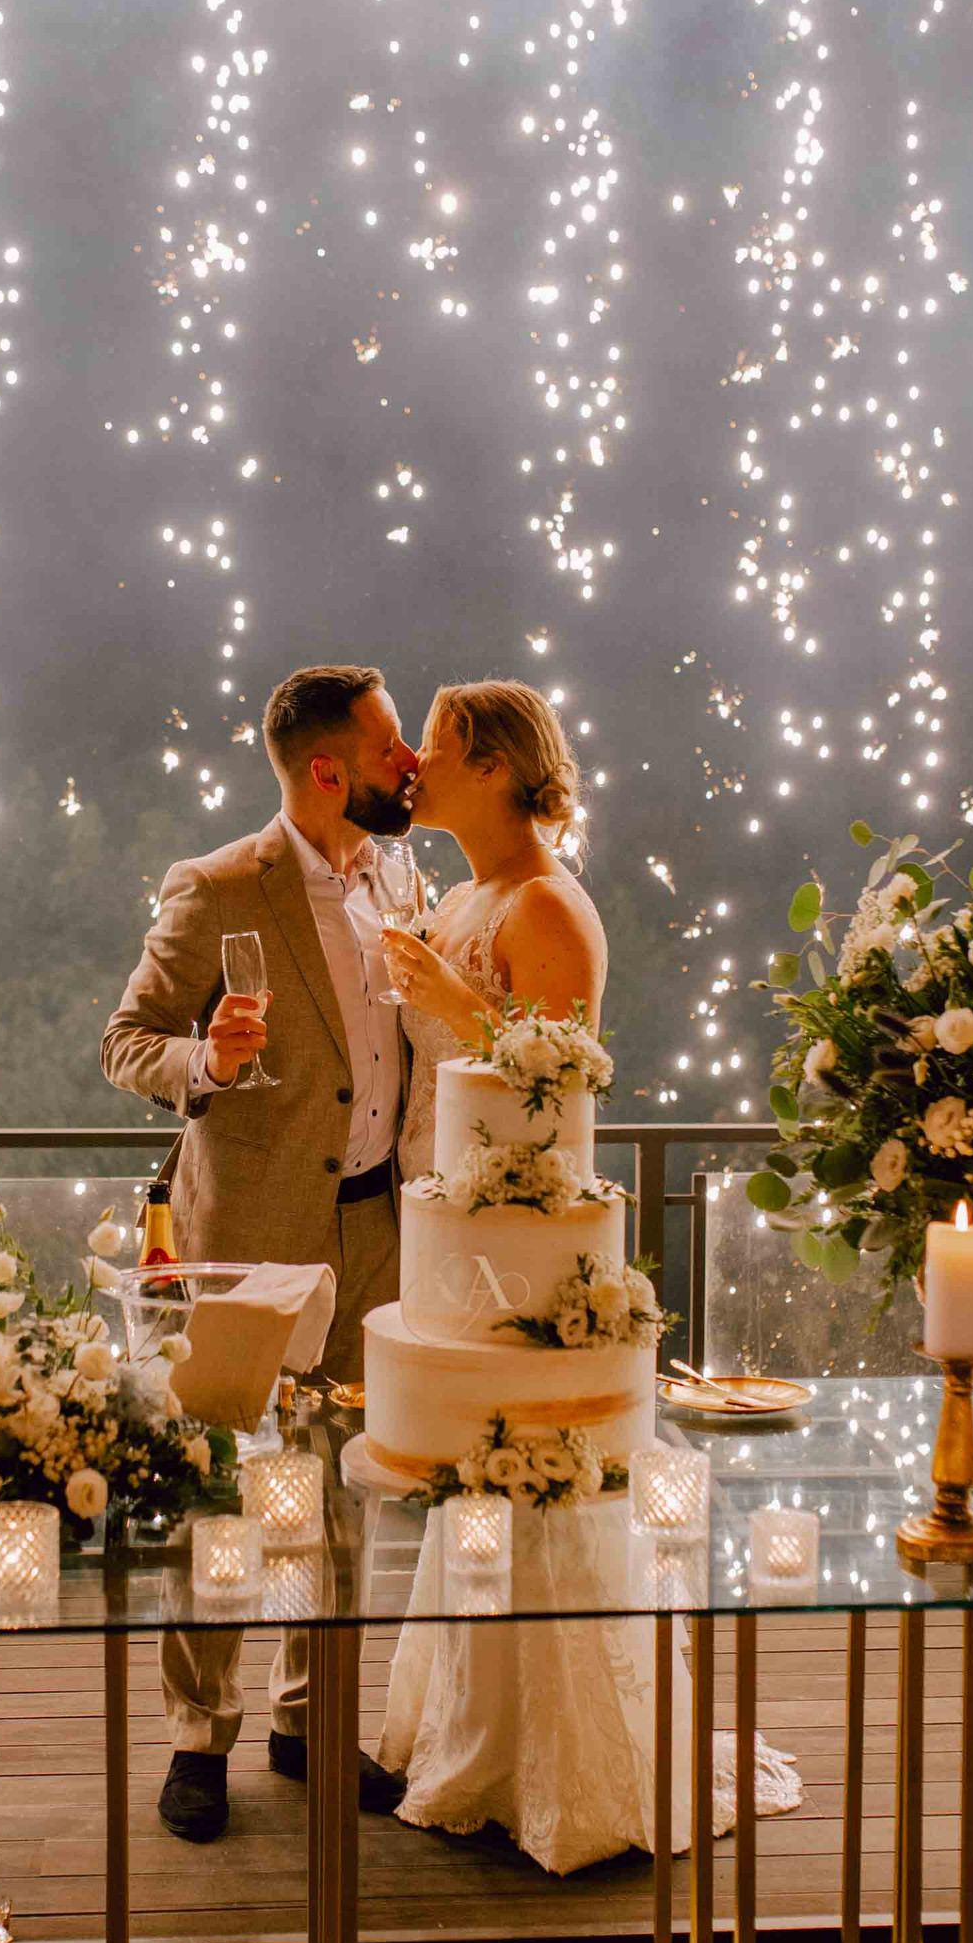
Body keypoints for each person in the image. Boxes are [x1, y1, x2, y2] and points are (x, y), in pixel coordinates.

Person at [377, 679, 802, 1874]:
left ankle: (569, 1757)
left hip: (523, 1238)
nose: (413, 764)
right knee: (472, 1480)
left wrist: (450, 996)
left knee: (535, 1479)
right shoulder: (457, 895)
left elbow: (558, 1081)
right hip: (450, 1228)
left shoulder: (549, 905)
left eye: (438, 746)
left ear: (495, 767)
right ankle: (476, 1735)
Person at [101, 663, 419, 1844]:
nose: (409, 766)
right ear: (327, 770)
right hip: (241, 1241)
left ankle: (308, 1721)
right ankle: (199, 1737)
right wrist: (211, 1061)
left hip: (375, 1231)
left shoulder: (400, 878)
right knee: (221, 1498)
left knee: (342, 1493)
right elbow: (127, 1040)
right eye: (389, 749)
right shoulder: (220, 884)